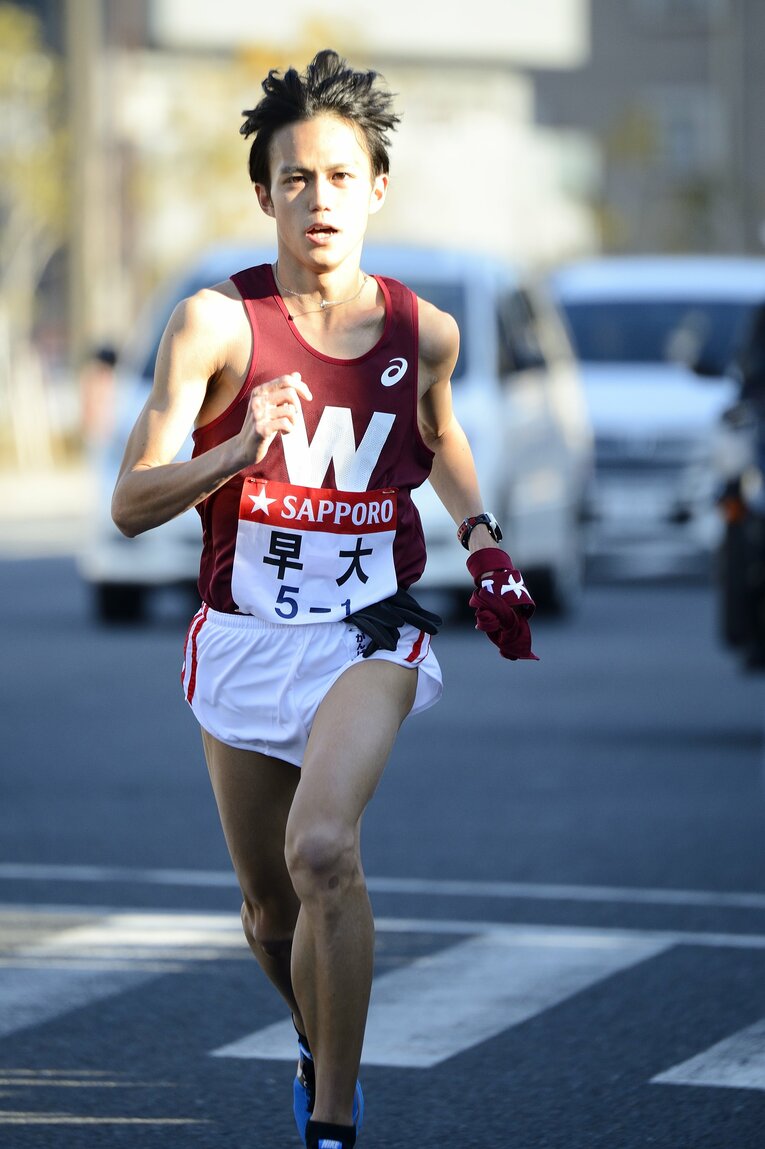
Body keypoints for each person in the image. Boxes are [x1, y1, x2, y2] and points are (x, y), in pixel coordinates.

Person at [111, 48, 537, 1149]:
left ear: (376, 188)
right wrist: (237, 452)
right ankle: (317, 1039)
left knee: (323, 853)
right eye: (295, 178)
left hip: (370, 632)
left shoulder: (423, 332)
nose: (319, 199)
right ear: (265, 194)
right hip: (247, 636)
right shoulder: (216, 325)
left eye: (341, 176)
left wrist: (481, 540)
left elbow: (438, 433)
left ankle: (334, 1124)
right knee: (268, 910)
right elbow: (127, 503)